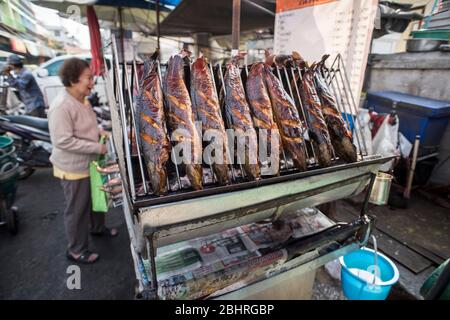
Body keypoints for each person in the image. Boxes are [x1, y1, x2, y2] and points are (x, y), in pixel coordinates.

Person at [48, 57, 117, 264]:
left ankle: (97, 228)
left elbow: (87, 127)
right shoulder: (61, 106)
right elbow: (63, 141)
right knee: (78, 209)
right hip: (73, 168)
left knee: (96, 197)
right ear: (73, 79)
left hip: (91, 162)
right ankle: (76, 250)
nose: (92, 82)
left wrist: (101, 133)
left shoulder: (83, 99)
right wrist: (99, 146)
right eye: (88, 78)